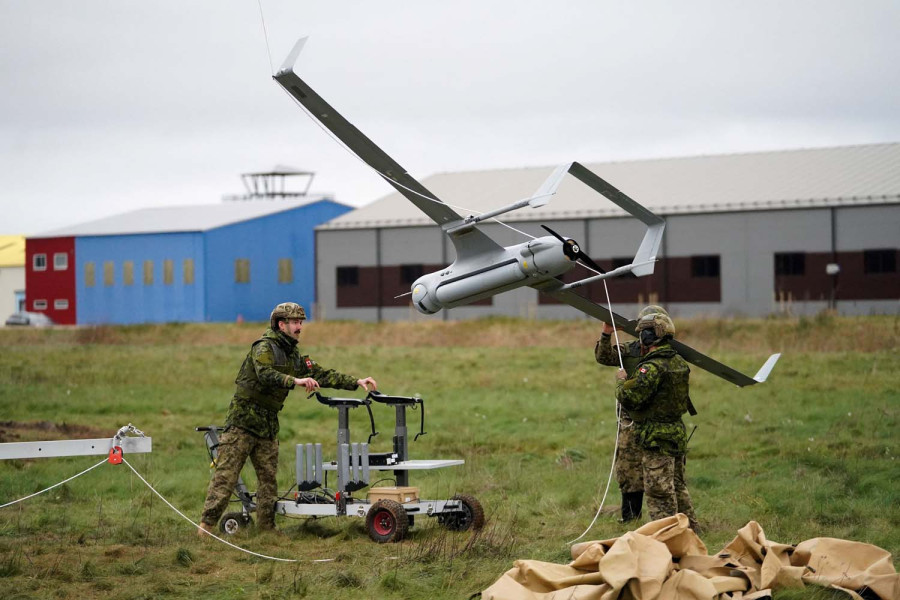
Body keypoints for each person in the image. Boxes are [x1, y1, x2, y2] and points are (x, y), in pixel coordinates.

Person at [198, 302, 377, 536]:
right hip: (243, 422)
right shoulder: (264, 347)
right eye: (295, 322)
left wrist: (355, 381)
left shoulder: (292, 354)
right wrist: (295, 381)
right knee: (226, 478)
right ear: (281, 324)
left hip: (268, 424)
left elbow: (320, 373)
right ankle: (205, 530)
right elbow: (265, 374)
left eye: (301, 322)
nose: (299, 326)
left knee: (268, 482)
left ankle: (266, 530)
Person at [614, 312, 699, 532]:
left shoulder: (651, 367)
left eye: (643, 333)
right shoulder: (678, 361)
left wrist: (622, 383)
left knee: (659, 491)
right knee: (678, 486)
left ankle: (667, 535)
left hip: (656, 437)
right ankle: (692, 530)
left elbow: (631, 398)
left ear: (649, 337)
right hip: (676, 433)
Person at [595, 305, 668, 523]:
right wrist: (607, 333)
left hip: (658, 421)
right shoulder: (630, 350)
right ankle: (630, 519)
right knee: (628, 470)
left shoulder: (667, 353)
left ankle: (668, 520)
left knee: (663, 472)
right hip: (630, 421)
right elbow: (604, 357)